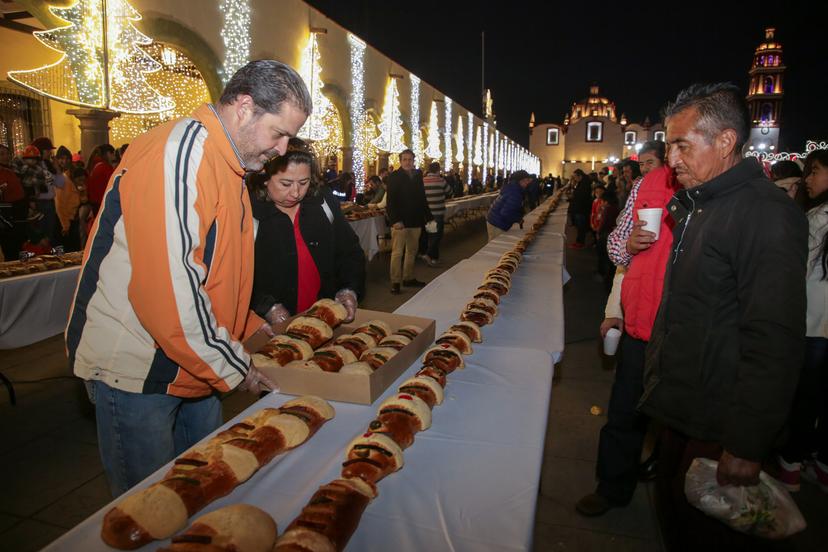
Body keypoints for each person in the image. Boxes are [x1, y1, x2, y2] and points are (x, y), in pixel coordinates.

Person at [65, 59, 311, 498]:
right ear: (244, 106)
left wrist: (255, 331)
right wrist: (237, 365)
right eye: (278, 132)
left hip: (194, 362)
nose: (282, 148)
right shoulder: (182, 151)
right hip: (141, 369)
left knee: (202, 494)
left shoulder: (230, 167)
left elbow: (218, 276)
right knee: (152, 506)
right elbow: (170, 287)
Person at [641, 83, 806, 551]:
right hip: (685, 407)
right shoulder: (704, 206)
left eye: (681, 145)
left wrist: (748, 441)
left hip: (719, 425)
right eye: (669, 145)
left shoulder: (763, 214)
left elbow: (774, 338)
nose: (670, 158)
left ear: (726, 142)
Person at [577, 156, 678, 518]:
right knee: (624, 412)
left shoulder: (723, 192)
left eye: (684, 144)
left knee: (680, 422)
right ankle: (612, 486)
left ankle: (674, 492)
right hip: (640, 323)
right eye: (673, 146)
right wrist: (631, 245)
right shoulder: (647, 185)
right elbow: (615, 247)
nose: (677, 156)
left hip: (688, 330)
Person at [249, 138, 365, 324]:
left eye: (303, 182)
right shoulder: (247, 211)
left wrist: (349, 288)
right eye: (285, 184)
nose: (296, 193)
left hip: (323, 315)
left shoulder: (323, 202)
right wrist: (265, 306)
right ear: (264, 179)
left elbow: (349, 251)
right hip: (268, 325)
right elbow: (234, 274)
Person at [776, 149, 828, 493]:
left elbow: (793, 265)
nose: (808, 180)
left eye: (814, 172)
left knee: (804, 394)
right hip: (819, 323)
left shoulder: (816, 219)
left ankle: (791, 464)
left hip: (812, 323)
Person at [385, 149, 433, 294]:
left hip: (416, 220)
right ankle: (395, 282)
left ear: (413, 161)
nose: (407, 162)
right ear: (400, 161)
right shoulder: (394, 176)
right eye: (404, 159)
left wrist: (429, 217)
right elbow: (390, 201)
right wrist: (395, 220)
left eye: (410, 159)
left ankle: (408, 277)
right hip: (400, 222)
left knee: (412, 251)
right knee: (397, 253)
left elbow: (422, 198)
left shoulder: (417, 175)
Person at [419, 161, 452, 267]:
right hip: (438, 213)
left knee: (430, 234)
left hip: (426, 214)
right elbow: (450, 192)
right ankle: (428, 254)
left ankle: (434, 259)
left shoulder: (422, 181)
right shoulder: (441, 180)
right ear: (438, 170)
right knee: (437, 235)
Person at [486, 169, 531, 241]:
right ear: (520, 181)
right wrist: (518, 219)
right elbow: (506, 213)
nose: (528, 183)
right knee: (497, 246)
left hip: (494, 219)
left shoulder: (512, 187)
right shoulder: (515, 192)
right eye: (526, 180)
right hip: (497, 222)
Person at [0, 143, 26, 259]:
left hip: (17, 214)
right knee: (10, 250)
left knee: (18, 248)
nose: (6, 157)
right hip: (5, 217)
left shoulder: (11, 169)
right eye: (1, 154)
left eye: (7, 154)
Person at [54, 146, 82, 251]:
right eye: (61, 158)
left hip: (73, 216)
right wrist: (65, 224)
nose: (64, 161)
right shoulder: (59, 177)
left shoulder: (73, 174)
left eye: (67, 158)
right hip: (65, 219)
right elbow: (59, 203)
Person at [85, 144, 117, 215]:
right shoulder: (105, 167)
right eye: (113, 154)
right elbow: (113, 183)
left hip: (95, 202)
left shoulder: (95, 166)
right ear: (108, 153)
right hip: (103, 203)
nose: (114, 157)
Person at [568, 169, 592, 248]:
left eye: (575, 177)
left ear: (580, 175)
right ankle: (579, 241)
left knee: (581, 227)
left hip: (582, 209)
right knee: (579, 227)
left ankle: (580, 242)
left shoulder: (585, 184)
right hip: (579, 208)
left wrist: (574, 196)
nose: (574, 178)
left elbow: (582, 196)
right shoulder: (581, 182)